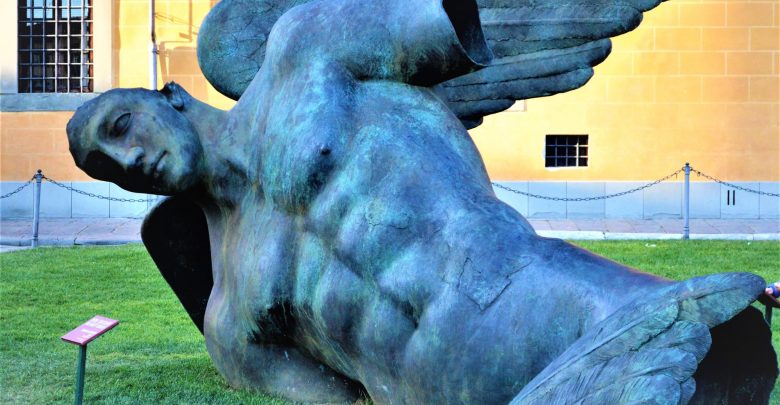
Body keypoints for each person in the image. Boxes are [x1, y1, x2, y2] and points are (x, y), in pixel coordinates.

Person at [66, 0, 776, 403]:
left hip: (554, 305)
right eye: (112, 168)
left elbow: (451, 27)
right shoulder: (230, 319)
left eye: (121, 127)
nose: (132, 159)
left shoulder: (301, 55)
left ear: (170, 96)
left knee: (707, 357)